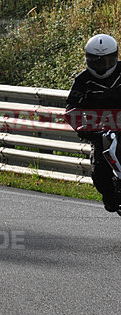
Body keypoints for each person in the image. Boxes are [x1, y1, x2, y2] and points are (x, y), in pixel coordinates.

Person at [66, 34, 121, 214]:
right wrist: (83, 127)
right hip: (100, 132)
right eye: (95, 60)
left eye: (106, 60)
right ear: (87, 58)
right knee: (99, 174)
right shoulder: (82, 81)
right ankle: (110, 194)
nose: (101, 65)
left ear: (115, 57)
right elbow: (72, 108)